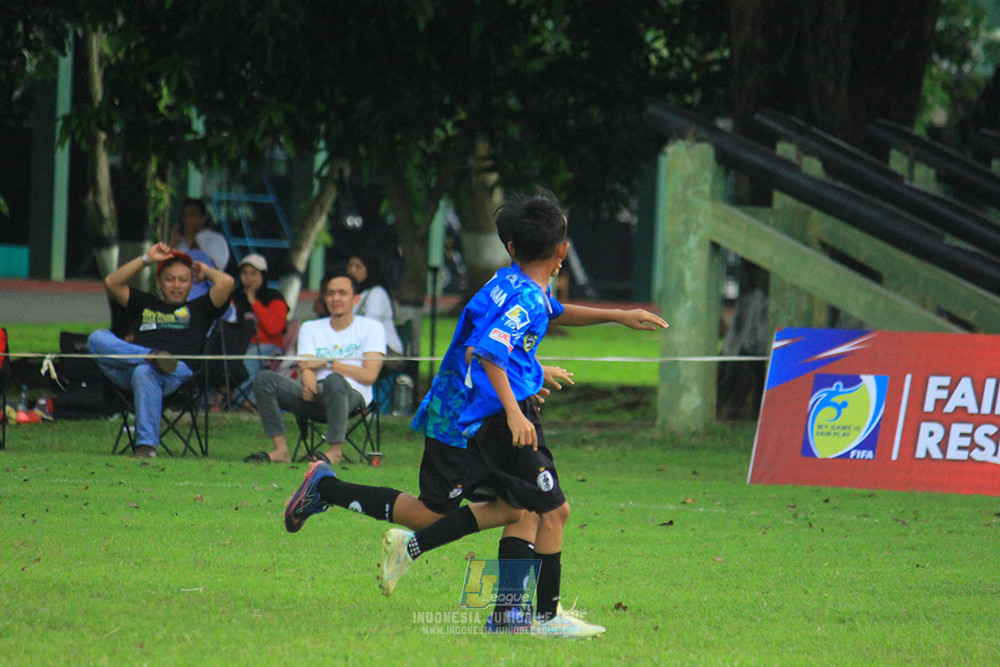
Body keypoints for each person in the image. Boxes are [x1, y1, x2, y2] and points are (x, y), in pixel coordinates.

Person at [283, 190, 668, 637]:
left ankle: (504, 612)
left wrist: (609, 321)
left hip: (467, 410)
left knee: (516, 507)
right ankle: (540, 616)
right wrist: (516, 409)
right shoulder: (525, 298)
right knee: (525, 510)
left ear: (512, 248)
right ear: (562, 252)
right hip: (473, 419)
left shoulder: (511, 281)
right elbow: (486, 352)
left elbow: (535, 321)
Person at [87, 242, 235, 458]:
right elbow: (112, 282)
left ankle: (146, 447)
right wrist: (146, 259)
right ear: (158, 282)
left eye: (183, 279)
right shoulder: (146, 304)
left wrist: (206, 270)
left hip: (175, 373)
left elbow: (227, 282)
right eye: (170, 279)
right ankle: (149, 356)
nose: (176, 285)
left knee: (145, 372)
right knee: (96, 338)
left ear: (191, 283)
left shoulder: (200, 308)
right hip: (129, 368)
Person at [245, 273, 385, 464]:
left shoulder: (372, 328)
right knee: (264, 379)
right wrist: (309, 383)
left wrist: (328, 363)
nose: (335, 298)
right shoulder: (311, 327)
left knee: (334, 380)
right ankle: (280, 450)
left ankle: (335, 451)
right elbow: (306, 365)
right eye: (330, 293)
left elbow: (369, 375)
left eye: (342, 293)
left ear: (355, 300)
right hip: (315, 394)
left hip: (352, 395)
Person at [229, 253, 289, 408]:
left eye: (254, 273)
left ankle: (241, 403)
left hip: (268, 347)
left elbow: (274, 329)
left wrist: (254, 302)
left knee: (248, 362)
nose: (249, 278)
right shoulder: (235, 298)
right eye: (245, 273)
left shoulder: (275, 297)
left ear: (263, 275)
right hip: (238, 345)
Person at [169, 198, 232, 300]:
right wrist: (172, 242)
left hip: (207, 296)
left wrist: (192, 241)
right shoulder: (179, 241)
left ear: (203, 217)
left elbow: (215, 269)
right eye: (184, 216)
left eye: (192, 215)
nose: (187, 219)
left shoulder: (216, 240)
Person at [346, 252, 404, 357]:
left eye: (358, 267)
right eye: (350, 266)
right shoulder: (355, 293)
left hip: (383, 351)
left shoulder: (377, 293)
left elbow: (371, 324)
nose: (352, 271)